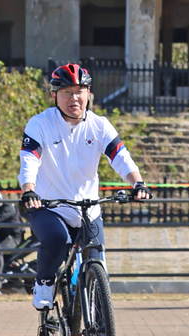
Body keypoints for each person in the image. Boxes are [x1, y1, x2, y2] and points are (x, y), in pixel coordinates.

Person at [19, 64, 151, 310]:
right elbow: (29, 160)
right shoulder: (40, 124)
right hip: (49, 205)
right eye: (67, 92)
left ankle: (98, 319)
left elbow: (120, 157)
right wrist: (29, 189)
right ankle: (45, 284)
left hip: (88, 208)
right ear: (54, 95)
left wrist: (138, 183)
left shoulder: (99, 125)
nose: (74, 98)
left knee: (97, 264)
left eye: (80, 91)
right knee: (58, 240)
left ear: (89, 93)